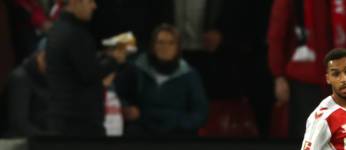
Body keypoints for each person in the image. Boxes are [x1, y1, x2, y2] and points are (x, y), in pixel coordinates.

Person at [268, 0, 346, 139]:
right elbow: (277, 36)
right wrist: (279, 76)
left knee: (341, 139)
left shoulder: (344, 2)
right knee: (309, 140)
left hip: (338, 80)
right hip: (304, 81)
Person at [46, 0, 126, 138]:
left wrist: (101, 58)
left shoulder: (57, 30)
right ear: (74, 2)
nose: (94, 6)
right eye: (89, 1)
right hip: (80, 123)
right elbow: (90, 74)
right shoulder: (75, 33)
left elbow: (77, 66)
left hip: (63, 119)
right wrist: (114, 60)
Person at [115, 23, 208, 137]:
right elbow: (118, 94)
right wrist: (127, 108)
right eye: (160, 42)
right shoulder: (137, 69)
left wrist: (181, 124)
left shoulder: (189, 75)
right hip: (143, 130)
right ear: (153, 46)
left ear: (178, 47)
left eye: (171, 43)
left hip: (178, 134)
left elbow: (200, 112)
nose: (165, 47)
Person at [6, 46, 49, 137]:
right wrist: (48, 139)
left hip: (44, 136)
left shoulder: (47, 76)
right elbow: (19, 123)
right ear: (41, 57)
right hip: (24, 142)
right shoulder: (20, 78)